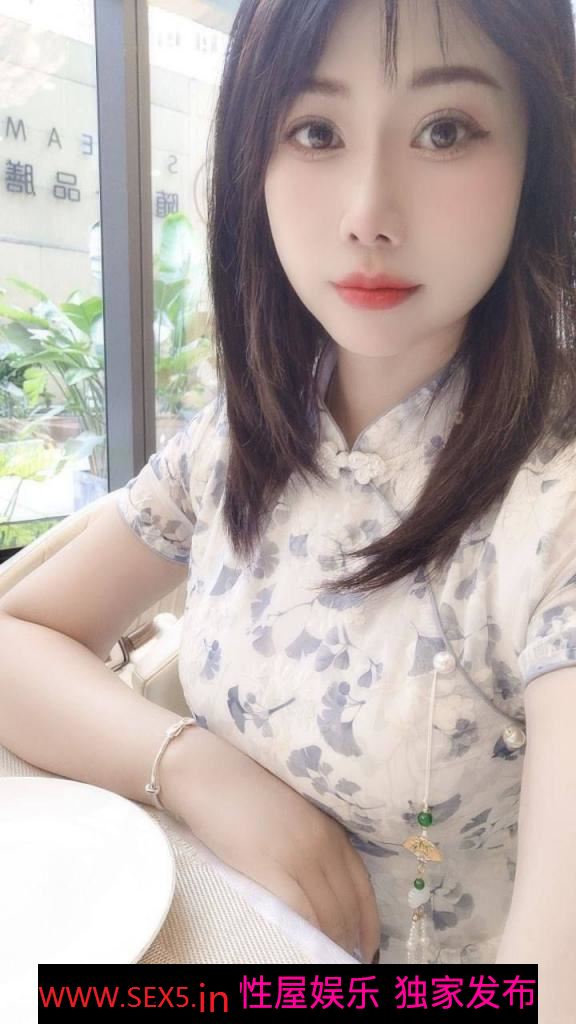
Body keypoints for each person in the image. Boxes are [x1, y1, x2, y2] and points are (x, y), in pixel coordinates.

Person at [1, 0, 575, 1002]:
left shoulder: (553, 506)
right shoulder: (243, 435)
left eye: (445, 130)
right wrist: (198, 772)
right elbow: (19, 639)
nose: (369, 212)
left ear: (539, 155)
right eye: (315, 130)